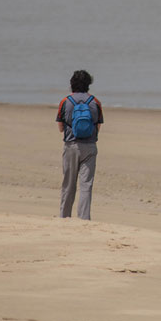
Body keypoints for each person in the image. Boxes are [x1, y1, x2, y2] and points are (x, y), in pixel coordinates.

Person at [55, 69, 105, 219]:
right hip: (89, 147)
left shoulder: (65, 101)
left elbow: (60, 128)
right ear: (88, 84)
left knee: (68, 185)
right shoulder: (95, 102)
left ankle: (64, 216)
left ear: (72, 84)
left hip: (71, 146)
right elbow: (98, 127)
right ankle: (84, 218)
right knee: (86, 185)